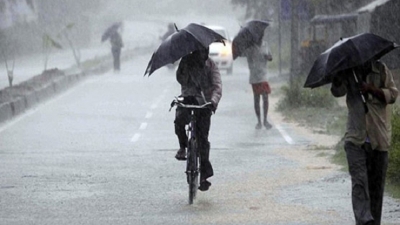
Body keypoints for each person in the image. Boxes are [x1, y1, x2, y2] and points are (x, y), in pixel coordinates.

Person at [330, 59, 398, 225]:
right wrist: (337, 78)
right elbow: (337, 91)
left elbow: (393, 95)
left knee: (376, 189)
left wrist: (371, 89)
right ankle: (364, 221)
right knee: (359, 183)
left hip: (378, 137)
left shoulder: (381, 69)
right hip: (355, 138)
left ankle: (373, 222)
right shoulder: (348, 70)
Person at [174, 47, 222, 191]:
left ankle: (204, 176)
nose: (202, 55)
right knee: (179, 121)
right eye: (199, 52)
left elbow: (217, 86)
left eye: (204, 52)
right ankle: (183, 147)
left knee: (203, 140)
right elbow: (179, 79)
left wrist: (213, 101)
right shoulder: (186, 61)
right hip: (188, 100)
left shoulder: (211, 65)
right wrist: (184, 65)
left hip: (205, 104)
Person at [243, 33, 273, 130]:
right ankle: (259, 121)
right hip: (254, 76)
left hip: (263, 75)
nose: (260, 38)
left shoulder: (265, 44)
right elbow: (248, 58)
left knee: (265, 97)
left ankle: (265, 120)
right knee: (257, 99)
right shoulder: (250, 48)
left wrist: (267, 56)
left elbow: (270, 57)